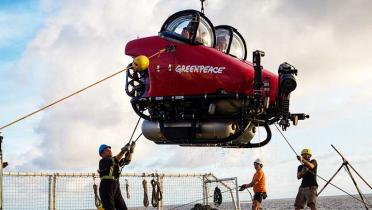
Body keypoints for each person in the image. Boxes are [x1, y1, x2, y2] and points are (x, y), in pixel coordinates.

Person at [98, 142, 135, 210]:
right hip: (106, 187)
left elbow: (126, 161)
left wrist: (130, 152)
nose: (109, 150)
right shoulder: (103, 161)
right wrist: (123, 151)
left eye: (109, 149)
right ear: (102, 154)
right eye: (107, 149)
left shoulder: (115, 161)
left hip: (116, 186)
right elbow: (114, 160)